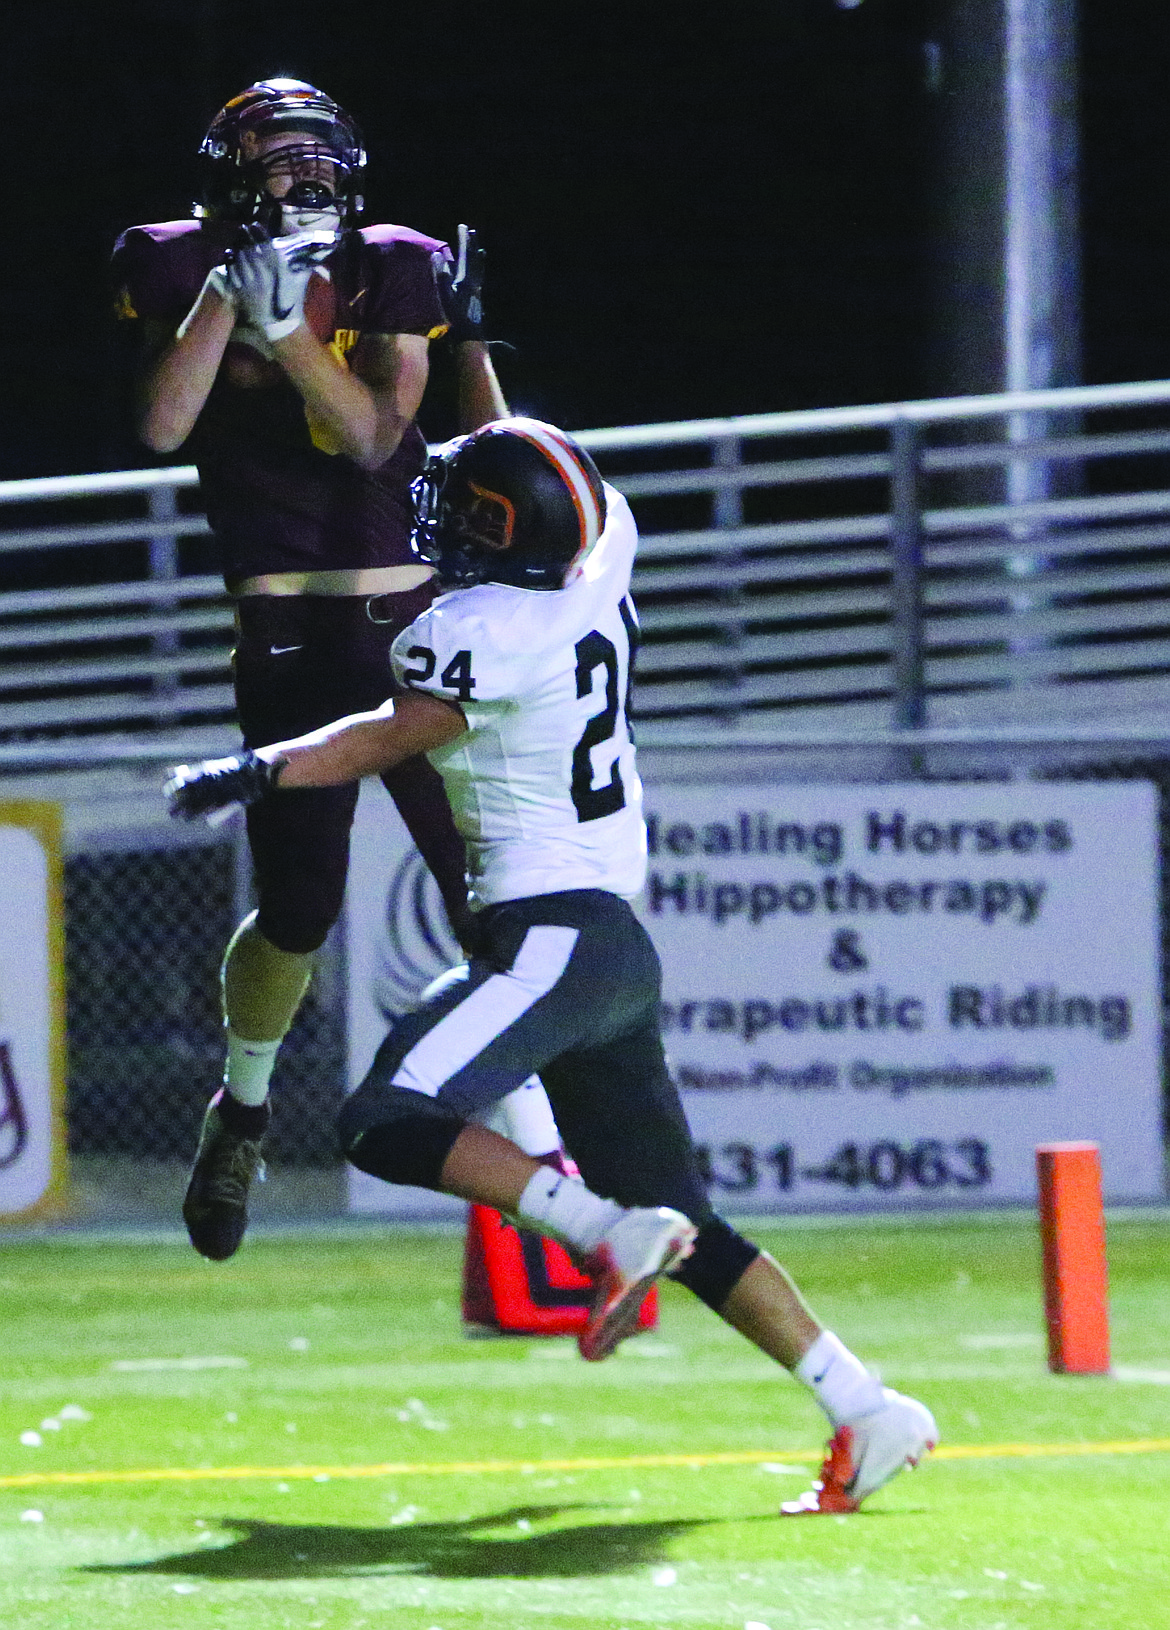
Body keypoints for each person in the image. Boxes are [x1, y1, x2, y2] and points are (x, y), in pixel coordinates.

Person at [166, 416, 939, 1515]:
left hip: (555, 943)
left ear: (498, 530)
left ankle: (598, 1230)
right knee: (694, 1225)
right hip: (611, 951)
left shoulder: (468, 631)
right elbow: (543, 463)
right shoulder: (599, 552)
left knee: (383, 1118)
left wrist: (254, 770)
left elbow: (381, 737)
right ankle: (866, 1404)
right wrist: (474, 348)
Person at [112, 77, 561, 1261]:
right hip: (285, 635)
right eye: (274, 159)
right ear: (228, 173)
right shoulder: (170, 261)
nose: (299, 178)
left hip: (412, 630)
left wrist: (291, 336)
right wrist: (227, 296)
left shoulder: (391, 263)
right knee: (302, 908)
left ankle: (553, 1169)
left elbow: (374, 439)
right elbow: (161, 426)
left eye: (315, 157)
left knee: (485, 897)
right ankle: (244, 1108)